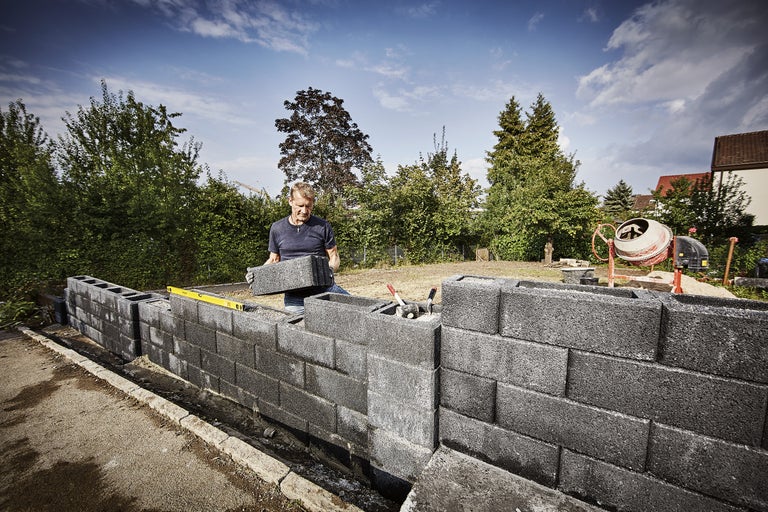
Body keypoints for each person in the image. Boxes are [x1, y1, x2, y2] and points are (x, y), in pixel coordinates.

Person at [258, 182, 349, 314]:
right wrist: (258, 274)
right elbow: (273, 260)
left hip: (325, 290)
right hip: (295, 299)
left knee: (360, 314)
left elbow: (334, 256)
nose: (305, 211)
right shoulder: (277, 228)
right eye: (300, 206)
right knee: (298, 331)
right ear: (290, 201)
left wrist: (328, 270)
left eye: (308, 206)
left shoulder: (322, 226)